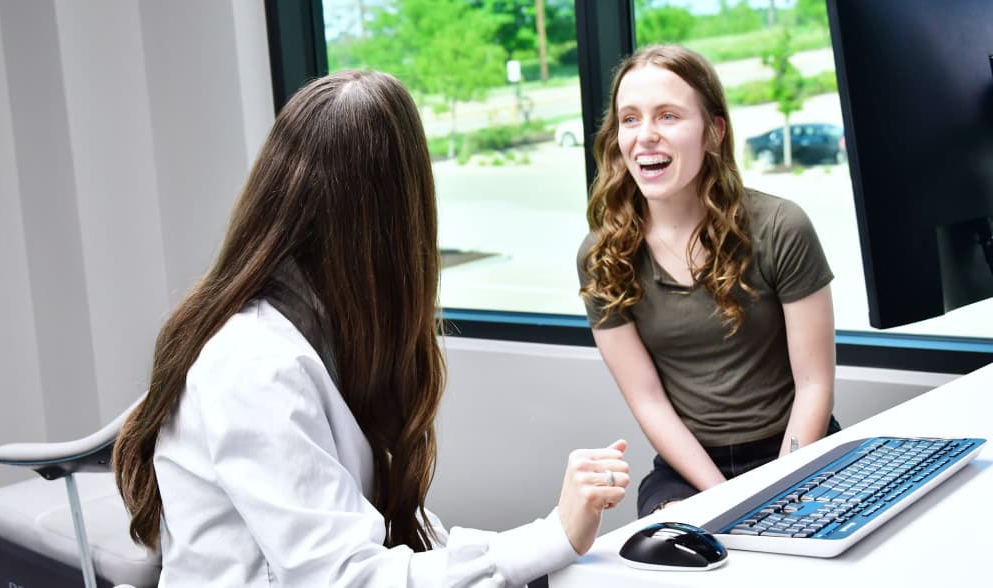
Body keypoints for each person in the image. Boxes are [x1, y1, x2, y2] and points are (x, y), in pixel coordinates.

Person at [112, 69, 629, 587]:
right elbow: (344, 576)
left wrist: (548, 537)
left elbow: (386, 535)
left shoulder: (325, 328)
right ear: (397, 216)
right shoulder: (256, 365)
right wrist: (551, 536)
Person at [576, 45, 839, 519]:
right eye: (629, 120)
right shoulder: (602, 258)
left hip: (798, 446)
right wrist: (726, 497)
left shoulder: (782, 226)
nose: (645, 136)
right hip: (690, 468)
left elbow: (814, 382)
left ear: (714, 133)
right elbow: (648, 399)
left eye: (669, 116)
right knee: (678, 545)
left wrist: (778, 488)